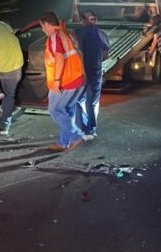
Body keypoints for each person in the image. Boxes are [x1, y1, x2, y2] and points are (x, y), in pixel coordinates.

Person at [40, 11, 91, 152]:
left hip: (66, 81)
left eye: (42, 26)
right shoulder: (65, 33)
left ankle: (75, 136)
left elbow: (59, 57)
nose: (43, 30)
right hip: (77, 77)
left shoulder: (54, 37)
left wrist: (56, 81)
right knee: (66, 110)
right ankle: (63, 143)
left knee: (55, 110)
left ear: (47, 24)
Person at [76, 10, 109, 138]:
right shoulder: (102, 34)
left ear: (82, 20)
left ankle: (83, 127)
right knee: (93, 101)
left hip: (80, 71)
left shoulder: (77, 34)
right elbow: (106, 55)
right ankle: (91, 128)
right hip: (95, 70)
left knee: (78, 99)